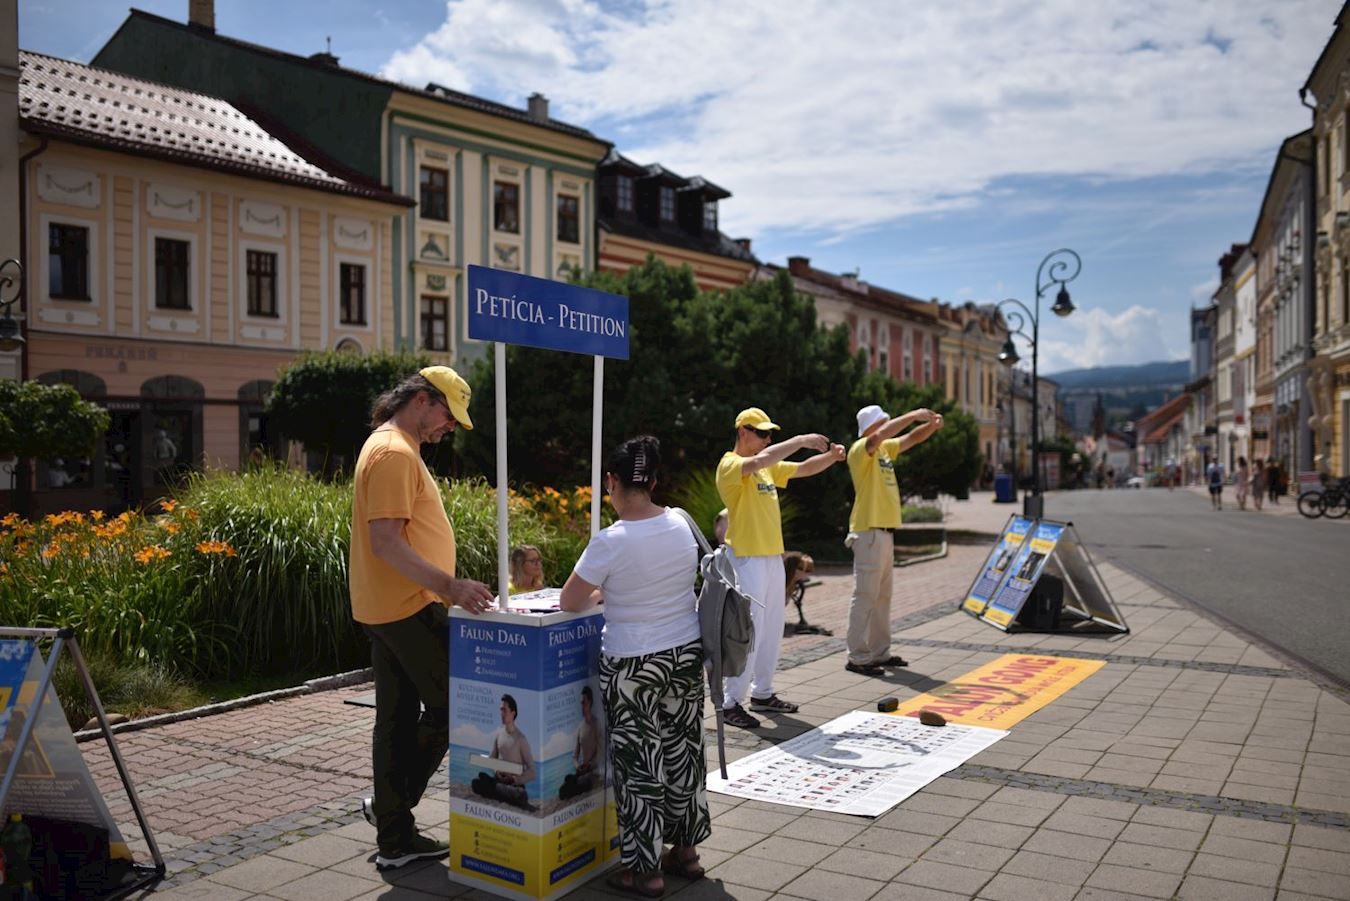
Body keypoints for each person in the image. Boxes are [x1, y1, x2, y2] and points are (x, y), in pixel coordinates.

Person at [348, 366, 495, 871]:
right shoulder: (394, 452)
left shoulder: (391, 445)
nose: (449, 427)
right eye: (448, 416)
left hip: (389, 605)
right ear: (421, 400)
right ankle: (390, 810)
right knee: (454, 705)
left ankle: (394, 837)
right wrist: (450, 587)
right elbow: (386, 542)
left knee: (394, 720)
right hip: (408, 606)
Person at [560, 435, 711, 896]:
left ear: (611, 482)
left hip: (631, 664)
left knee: (639, 765)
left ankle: (644, 871)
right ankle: (685, 852)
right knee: (684, 753)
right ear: (655, 481)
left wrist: (606, 591)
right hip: (684, 653)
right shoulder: (681, 523)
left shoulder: (610, 541)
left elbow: (569, 601)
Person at [716, 407, 845, 729]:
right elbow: (759, 461)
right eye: (761, 433)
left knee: (771, 628)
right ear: (742, 432)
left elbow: (802, 468)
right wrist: (800, 440)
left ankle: (762, 693)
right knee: (747, 631)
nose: (767, 439)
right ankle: (731, 702)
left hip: (771, 558)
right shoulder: (730, 464)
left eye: (769, 434)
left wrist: (830, 458)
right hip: (746, 558)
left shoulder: (766, 469)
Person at [844, 405, 944, 677]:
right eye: (883, 422)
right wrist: (912, 416)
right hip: (868, 531)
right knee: (865, 596)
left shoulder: (885, 450)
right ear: (869, 427)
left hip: (885, 533)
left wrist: (930, 426)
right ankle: (857, 656)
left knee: (882, 597)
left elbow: (912, 438)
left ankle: (880, 652)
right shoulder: (860, 449)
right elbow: (880, 437)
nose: (887, 425)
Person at [471, 694, 538, 811]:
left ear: (513, 713)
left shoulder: (521, 739)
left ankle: (496, 790)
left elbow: (532, 771)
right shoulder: (498, 735)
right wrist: (496, 771)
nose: (501, 713)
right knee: (476, 782)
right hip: (498, 780)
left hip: (513, 784)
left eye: (504, 710)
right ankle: (499, 790)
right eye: (501, 710)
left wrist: (515, 779)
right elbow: (492, 760)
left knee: (520, 794)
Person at [558, 685, 600, 801]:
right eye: (581, 703)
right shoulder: (580, 727)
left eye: (584, 703)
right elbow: (574, 756)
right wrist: (578, 766)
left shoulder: (596, 724)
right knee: (563, 789)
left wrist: (589, 765)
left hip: (592, 771)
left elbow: (600, 753)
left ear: (590, 702)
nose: (581, 706)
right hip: (581, 771)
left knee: (583, 782)